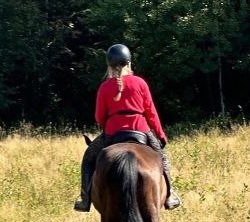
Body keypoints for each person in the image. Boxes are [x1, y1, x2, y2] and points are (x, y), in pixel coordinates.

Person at [74, 43, 181, 213]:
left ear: (109, 65)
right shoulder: (140, 83)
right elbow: (151, 112)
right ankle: (169, 196)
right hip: (141, 130)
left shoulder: (104, 87)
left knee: (88, 159)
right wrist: (161, 135)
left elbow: (99, 117)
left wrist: (107, 124)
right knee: (162, 159)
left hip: (112, 133)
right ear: (129, 63)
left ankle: (85, 199)